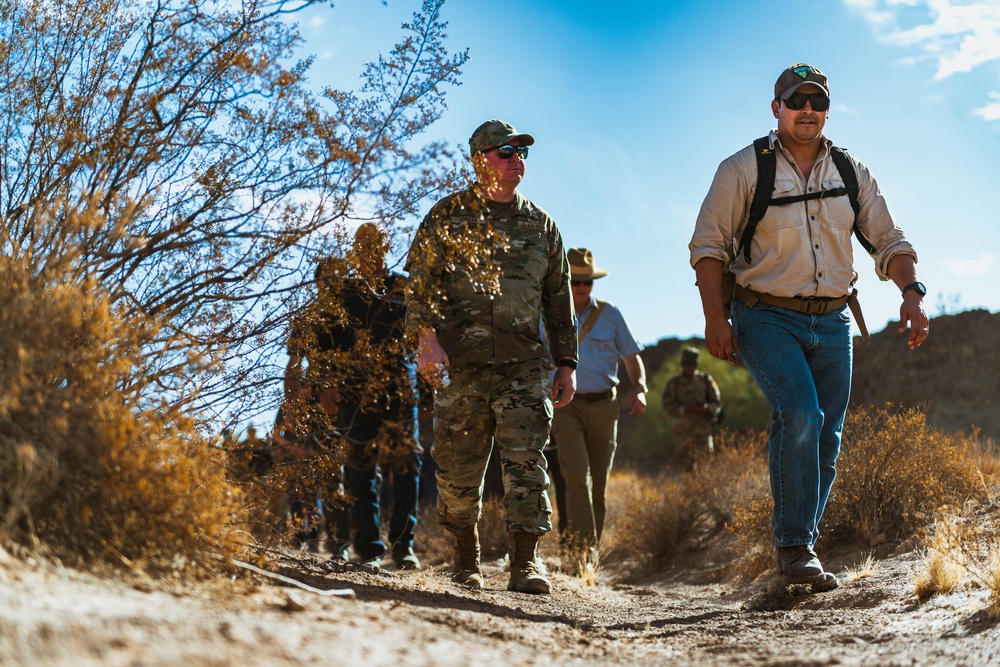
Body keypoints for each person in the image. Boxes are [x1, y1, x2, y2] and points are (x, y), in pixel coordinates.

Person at [689, 63, 929, 592]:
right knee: (799, 411)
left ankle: (800, 545)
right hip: (763, 315)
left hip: (834, 321)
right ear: (776, 108)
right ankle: (793, 548)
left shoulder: (850, 171)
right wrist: (714, 318)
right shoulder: (741, 170)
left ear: (826, 109)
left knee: (827, 434)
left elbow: (888, 240)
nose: (808, 110)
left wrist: (911, 294)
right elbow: (708, 247)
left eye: (817, 102)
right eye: (796, 101)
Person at [405, 119, 578, 594]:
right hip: (460, 363)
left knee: (526, 463)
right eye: (506, 151)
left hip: (523, 365)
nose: (516, 158)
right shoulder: (446, 217)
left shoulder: (541, 225)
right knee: (459, 471)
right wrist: (427, 342)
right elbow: (418, 286)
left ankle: (526, 563)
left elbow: (558, 301)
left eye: (522, 150)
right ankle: (466, 559)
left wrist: (567, 363)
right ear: (480, 159)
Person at [285, 224, 423, 570]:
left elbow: (422, 336)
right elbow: (325, 350)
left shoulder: (402, 287)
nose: (369, 252)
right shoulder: (342, 294)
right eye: (362, 246)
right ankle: (369, 549)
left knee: (407, 467)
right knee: (360, 472)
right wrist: (327, 387)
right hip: (354, 394)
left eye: (375, 245)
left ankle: (404, 546)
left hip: (399, 391)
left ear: (385, 247)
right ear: (354, 252)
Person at [550, 248, 646, 557]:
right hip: (567, 406)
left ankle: (591, 550)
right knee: (577, 476)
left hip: (606, 407)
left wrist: (640, 388)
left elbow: (632, 357)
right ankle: (582, 553)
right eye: (576, 281)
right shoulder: (550, 314)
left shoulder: (611, 314)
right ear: (566, 280)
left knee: (599, 485)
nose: (581, 288)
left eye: (587, 282)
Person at [662, 347, 722, 470]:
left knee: (705, 466)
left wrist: (706, 408)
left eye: (691, 366)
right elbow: (666, 407)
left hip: (703, 432)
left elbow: (717, 403)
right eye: (687, 365)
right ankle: (690, 489)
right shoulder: (674, 383)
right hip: (683, 434)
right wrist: (684, 410)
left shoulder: (705, 380)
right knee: (685, 468)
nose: (689, 369)